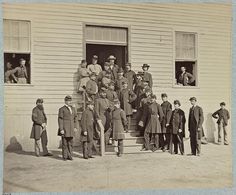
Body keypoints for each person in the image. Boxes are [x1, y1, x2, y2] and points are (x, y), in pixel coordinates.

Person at [58, 95, 78, 161]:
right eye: (67, 101)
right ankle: (65, 156)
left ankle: (70, 156)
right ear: (65, 101)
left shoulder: (73, 108)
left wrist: (75, 127)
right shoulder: (62, 109)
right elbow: (60, 119)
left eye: (70, 101)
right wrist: (61, 129)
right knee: (64, 143)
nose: (69, 102)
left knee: (71, 143)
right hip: (65, 128)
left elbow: (75, 118)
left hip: (71, 128)